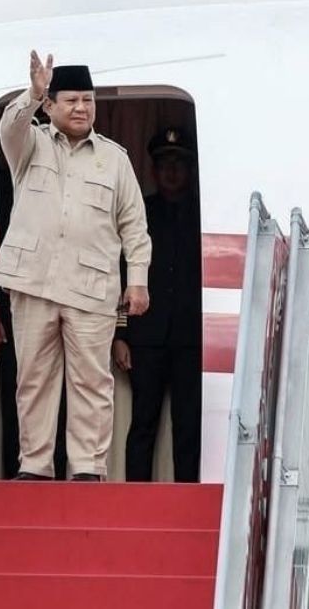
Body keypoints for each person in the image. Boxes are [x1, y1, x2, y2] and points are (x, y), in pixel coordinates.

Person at [0, 51, 151, 481]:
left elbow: (134, 225)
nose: (81, 108)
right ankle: (35, 465)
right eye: (71, 100)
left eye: (88, 100)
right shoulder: (29, 144)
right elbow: (8, 126)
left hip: (91, 286)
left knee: (92, 383)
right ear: (50, 105)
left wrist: (138, 280)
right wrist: (32, 92)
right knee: (33, 379)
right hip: (33, 281)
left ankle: (87, 468)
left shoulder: (114, 158)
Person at [114, 127, 203, 483]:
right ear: (153, 170)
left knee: (188, 426)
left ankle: (188, 498)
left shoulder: (202, 215)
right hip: (145, 337)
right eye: (164, 164)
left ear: (190, 168)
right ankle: (135, 499)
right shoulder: (140, 214)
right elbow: (120, 274)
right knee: (142, 424)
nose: (171, 171)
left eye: (179, 163)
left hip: (191, 340)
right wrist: (120, 335)